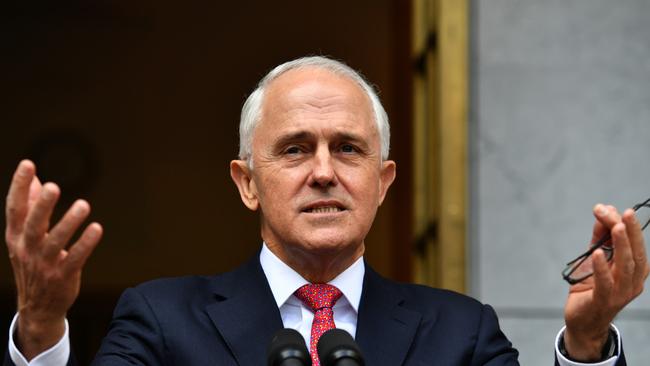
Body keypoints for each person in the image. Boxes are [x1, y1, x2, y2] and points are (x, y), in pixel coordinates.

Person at [4, 56, 648, 366]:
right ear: (246, 183)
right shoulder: (161, 321)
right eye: (294, 149)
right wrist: (38, 329)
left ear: (383, 180)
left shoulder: (461, 334)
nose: (322, 171)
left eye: (347, 148)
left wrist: (588, 344)